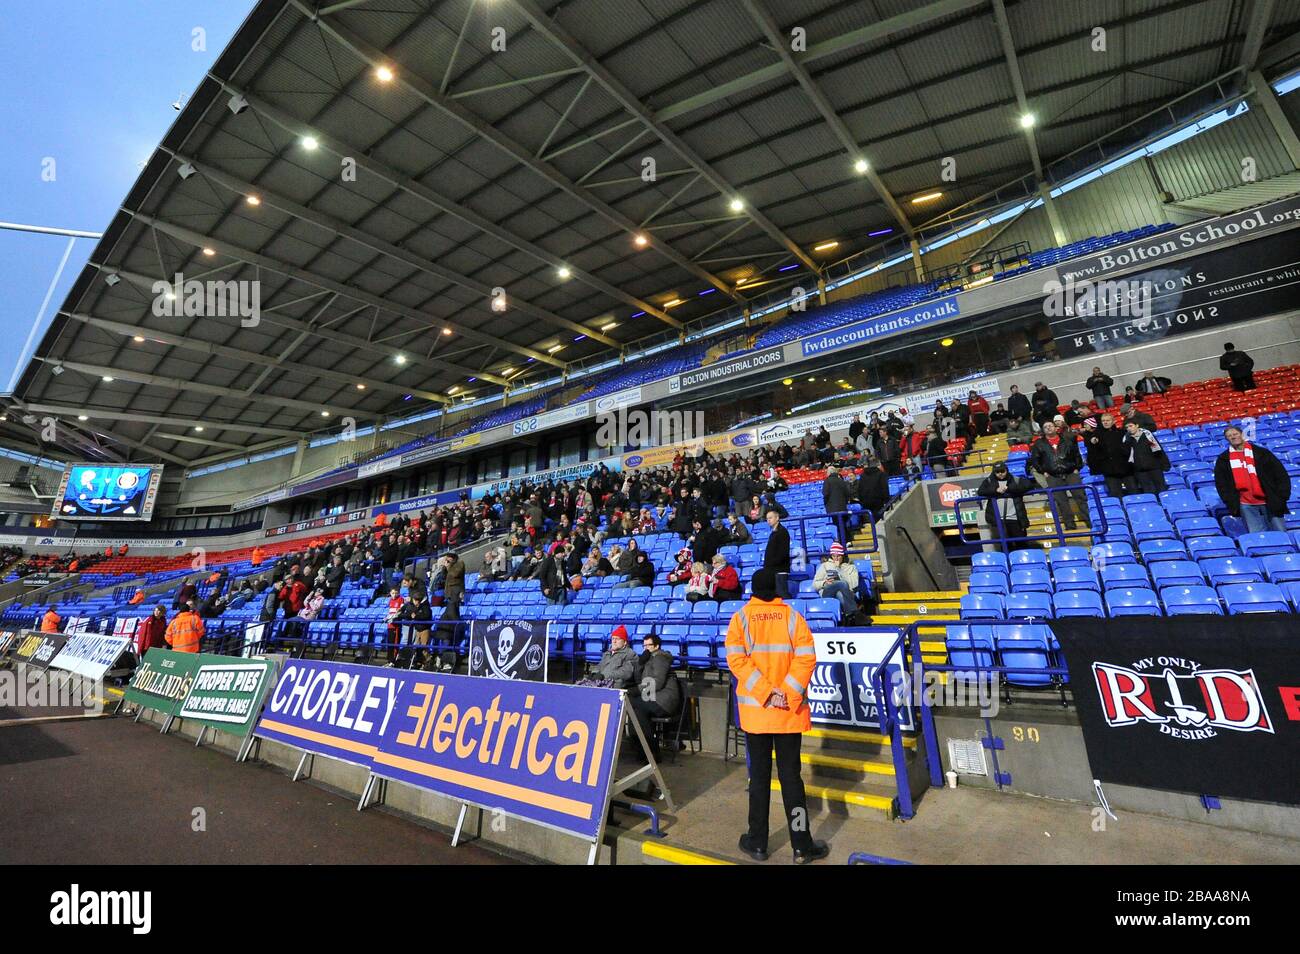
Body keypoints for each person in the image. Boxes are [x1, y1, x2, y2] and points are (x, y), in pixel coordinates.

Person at [725, 568, 828, 864]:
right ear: (777, 589)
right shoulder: (794, 617)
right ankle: (801, 845)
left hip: (757, 716)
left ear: (753, 590)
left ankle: (757, 842)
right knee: (791, 780)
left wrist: (766, 692)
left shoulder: (740, 619)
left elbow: (736, 660)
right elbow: (807, 658)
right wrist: (786, 693)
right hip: (788, 715)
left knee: (758, 780)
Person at [1213, 426, 1292, 533]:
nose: (1233, 437)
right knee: (1257, 535)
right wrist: (1230, 501)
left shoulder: (1262, 453)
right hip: (1245, 503)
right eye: (1229, 436)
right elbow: (1221, 483)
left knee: (1280, 532)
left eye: (1235, 434)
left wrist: (1282, 496)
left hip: (1270, 500)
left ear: (1242, 435)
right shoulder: (1223, 459)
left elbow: (1280, 474)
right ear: (1227, 439)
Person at [1026, 422, 1089, 532]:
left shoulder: (1067, 439)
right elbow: (1035, 460)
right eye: (1045, 427)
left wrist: (1076, 468)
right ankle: (1069, 525)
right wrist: (1043, 472)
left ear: (1056, 428)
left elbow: (1076, 454)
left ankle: (1089, 520)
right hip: (1053, 476)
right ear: (1043, 430)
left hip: (1070, 473)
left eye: (1050, 426)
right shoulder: (1039, 444)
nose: (1048, 428)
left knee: (1080, 497)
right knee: (1061, 501)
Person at [629, 633, 681, 762]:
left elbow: (657, 682)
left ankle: (650, 750)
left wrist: (638, 690)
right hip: (652, 696)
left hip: (664, 699)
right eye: (644, 645)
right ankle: (644, 749)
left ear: (657, 646)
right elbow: (639, 679)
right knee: (633, 706)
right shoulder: (649, 659)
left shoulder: (660, 658)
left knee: (635, 706)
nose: (646, 648)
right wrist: (640, 663)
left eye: (649, 645)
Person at [977, 462, 1035, 550]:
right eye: (997, 472)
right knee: (1006, 546)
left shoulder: (1015, 479)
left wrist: (1010, 489)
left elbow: (1029, 485)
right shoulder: (989, 481)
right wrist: (995, 490)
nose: (1000, 474)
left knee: (1021, 544)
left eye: (1002, 471)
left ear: (1006, 470)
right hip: (999, 520)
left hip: (1015, 518)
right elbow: (981, 491)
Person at [1084, 413, 1134, 499]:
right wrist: (1093, 442)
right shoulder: (1097, 435)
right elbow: (1092, 445)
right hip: (1109, 471)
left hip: (1126, 468)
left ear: (1113, 421)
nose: (1105, 422)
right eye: (1103, 421)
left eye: (1108, 420)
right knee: (1115, 495)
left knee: (1133, 492)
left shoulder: (1122, 433)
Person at [812, 542, 862, 623]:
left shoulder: (851, 567)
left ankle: (848, 617)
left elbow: (854, 584)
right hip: (828, 591)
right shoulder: (825, 566)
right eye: (834, 556)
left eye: (838, 556)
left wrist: (839, 569)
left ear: (842, 555)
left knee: (840, 591)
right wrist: (824, 583)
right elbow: (815, 584)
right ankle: (854, 612)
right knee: (841, 584)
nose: (836, 558)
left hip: (846, 594)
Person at [1122, 420, 1169, 493]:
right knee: (1148, 492)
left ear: (1137, 425)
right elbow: (1126, 456)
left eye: (1130, 426)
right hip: (1140, 471)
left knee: (1162, 490)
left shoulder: (1148, 435)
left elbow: (1158, 450)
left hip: (1155, 468)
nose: (1129, 428)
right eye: (1127, 427)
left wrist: (1165, 464)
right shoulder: (1126, 440)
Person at [762, 508, 791, 597]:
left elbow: (783, 552)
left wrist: (772, 563)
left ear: (777, 518)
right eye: (767, 519)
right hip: (772, 570)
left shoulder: (782, 531)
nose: (768, 520)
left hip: (779, 570)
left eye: (770, 518)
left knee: (782, 594)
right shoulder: (774, 532)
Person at [855, 458, 889, 522]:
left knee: (872, 522)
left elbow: (859, 489)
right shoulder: (881, 474)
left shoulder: (863, 475)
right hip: (878, 502)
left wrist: (862, 501)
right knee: (879, 521)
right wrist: (887, 501)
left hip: (866, 502)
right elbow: (884, 488)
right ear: (878, 465)